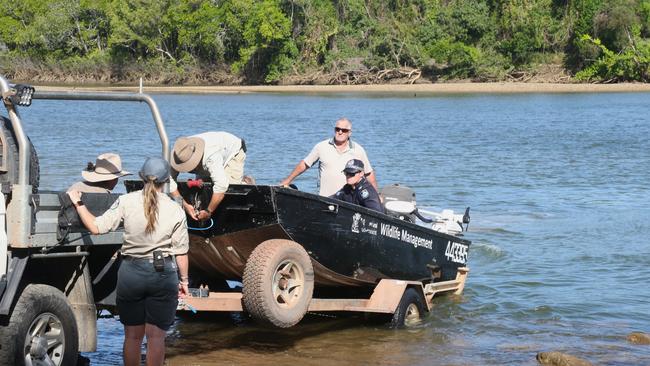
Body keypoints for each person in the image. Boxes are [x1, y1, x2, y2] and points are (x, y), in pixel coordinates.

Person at [67, 157, 189, 366]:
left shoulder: (126, 201)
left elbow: (96, 228)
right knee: (156, 337)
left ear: (142, 177)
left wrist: (78, 203)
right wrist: (184, 281)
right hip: (162, 274)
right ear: (166, 180)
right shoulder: (175, 208)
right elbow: (181, 252)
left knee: (132, 336)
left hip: (131, 272)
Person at [280, 117, 377, 197]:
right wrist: (287, 180)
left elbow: (369, 174)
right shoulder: (321, 146)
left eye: (344, 130)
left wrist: (376, 196)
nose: (340, 132)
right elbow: (305, 164)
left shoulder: (358, 150)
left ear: (349, 133)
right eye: (337, 129)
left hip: (349, 200)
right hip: (325, 199)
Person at [169, 131, 246, 221]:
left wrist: (208, 211)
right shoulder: (178, 154)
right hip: (207, 159)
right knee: (203, 190)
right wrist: (184, 205)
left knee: (231, 189)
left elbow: (221, 186)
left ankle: (245, 181)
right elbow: (169, 182)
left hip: (233, 151)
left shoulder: (211, 156)